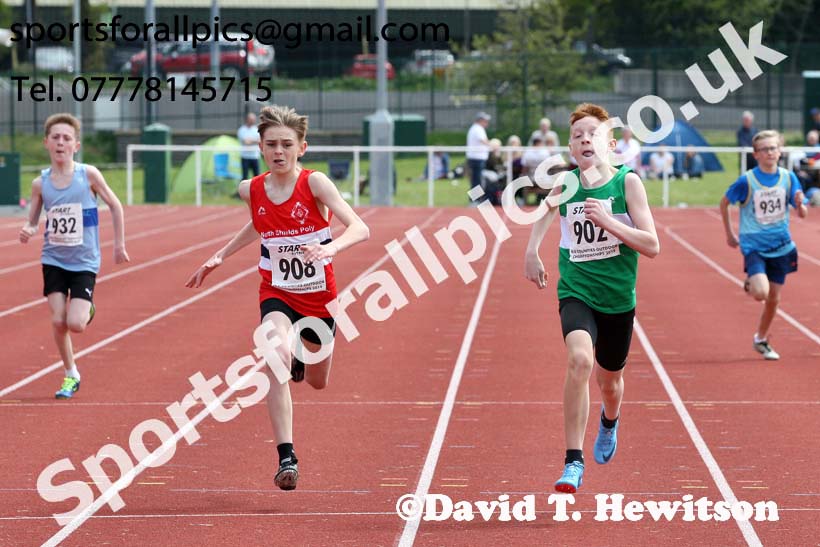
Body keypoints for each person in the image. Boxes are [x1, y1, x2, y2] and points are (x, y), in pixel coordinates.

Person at [186, 105, 370, 491]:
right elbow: (261, 222)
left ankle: (303, 355)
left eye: (287, 144)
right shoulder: (250, 189)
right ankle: (287, 456)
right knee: (274, 355)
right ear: (260, 146)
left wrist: (332, 248)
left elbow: (361, 228)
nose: (279, 152)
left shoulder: (316, 184)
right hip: (277, 292)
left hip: (319, 297)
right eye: (271, 144)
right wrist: (222, 255)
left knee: (318, 382)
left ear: (302, 147)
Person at [524, 103, 659, 493]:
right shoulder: (566, 183)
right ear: (570, 146)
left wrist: (610, 222)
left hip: (617, 298)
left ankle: (610, 422)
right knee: (580, 360)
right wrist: (531, 251)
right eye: (579, 134)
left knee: (610, 383)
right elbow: (547, 211)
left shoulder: (628, 183)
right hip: (576, 289)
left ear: (611, 143)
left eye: (594, 134)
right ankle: (572, 461)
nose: (586, 139)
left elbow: (652, 246)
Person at [19, 113, 130, 399]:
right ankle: (71, 374)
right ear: (46, 143)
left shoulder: (88, 175)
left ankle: (87, 308)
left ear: (76, 145)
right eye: (55, 137)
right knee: (58, 321)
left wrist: (119, 244)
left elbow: (115, 205)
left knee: (76, 324)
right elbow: (33, 219)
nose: (60, 142)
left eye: (66, 138)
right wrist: (28, 229)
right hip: (53, 259)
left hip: (84, 261)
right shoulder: (40, 183)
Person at [720, 129, 808, 360]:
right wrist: (730, 234)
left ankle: (760, 338)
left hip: (782, 246)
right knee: (761, 293)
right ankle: (752, 281)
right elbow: (724, 203)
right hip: (754, 247)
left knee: (773, 299)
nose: (770, 152)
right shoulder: (747, 180)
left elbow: (802, 213)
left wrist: (800, 205)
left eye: (773, 148)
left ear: (780, 151)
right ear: (756, 154)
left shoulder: (789, 178)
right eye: (765, 149)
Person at [466, 112, 492, 201]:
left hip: (476, 158)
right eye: (486, 121)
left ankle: (475, 199)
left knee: (476, 180)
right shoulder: (477, 129)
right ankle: (475, 199)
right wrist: (492, 146)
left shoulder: (476, 128)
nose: (487, 123)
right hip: (476, 159)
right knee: (476, 180)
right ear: (481, 120)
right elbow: (483, 141)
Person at [237, 112, 261, 180]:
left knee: (257, 176)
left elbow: (260, 141)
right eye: (251, 119)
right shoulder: (242, 130)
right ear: (247, 119)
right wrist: (255, 140)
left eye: (254, 119)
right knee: (245, 177)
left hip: (255, 156)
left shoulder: (256, 129)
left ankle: (257, 190)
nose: (253, 121)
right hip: (245, 157)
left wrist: (251, 141)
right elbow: (246, 142)